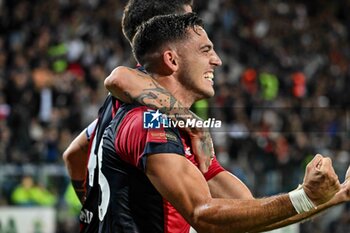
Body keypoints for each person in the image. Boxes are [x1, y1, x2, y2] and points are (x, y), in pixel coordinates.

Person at [96, 12, 349, 233]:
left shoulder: (183, 133)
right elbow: (203, 215)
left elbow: (249, 215)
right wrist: (304, 196)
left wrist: (336, 194)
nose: (217, 60)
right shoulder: (146, 123)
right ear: (172, 60)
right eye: (205, 50)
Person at [62, 0, 213, 204]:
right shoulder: (142, 102)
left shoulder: (119, 104)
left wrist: (93, 208)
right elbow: (119, 77)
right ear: (161, 27)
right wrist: (194, 124)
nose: (195, 27)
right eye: (187, 19)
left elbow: (72, 155)